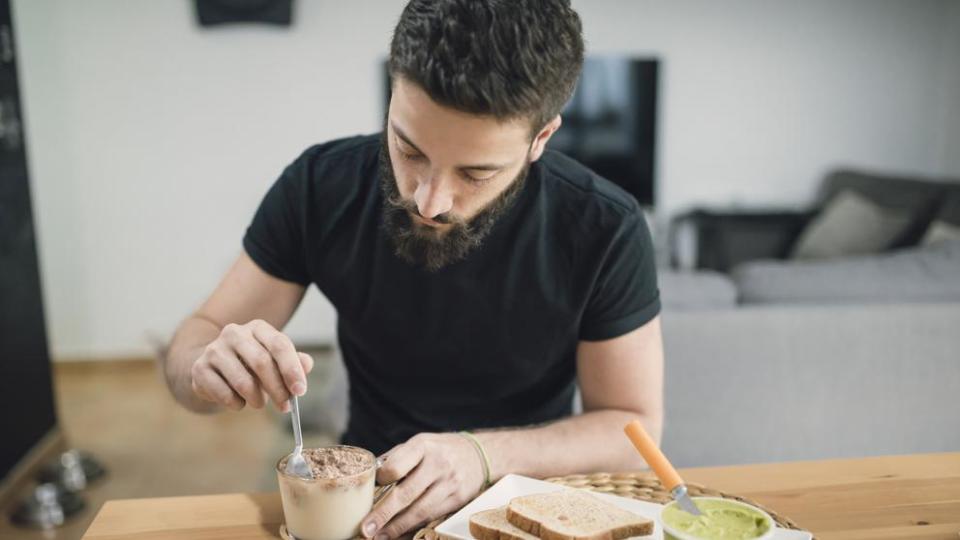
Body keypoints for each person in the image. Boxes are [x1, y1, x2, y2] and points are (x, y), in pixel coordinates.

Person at [161, 0, 664, 538]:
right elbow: (192, 349)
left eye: (475, 173)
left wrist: (481, 455)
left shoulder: (604, 225)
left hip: (526, 500)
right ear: (392, 92)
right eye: (409, 148)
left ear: (540, 139)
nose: (427, 200)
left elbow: (631, 429)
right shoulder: (318, 185)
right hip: (369, 499)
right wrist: (206, 369)